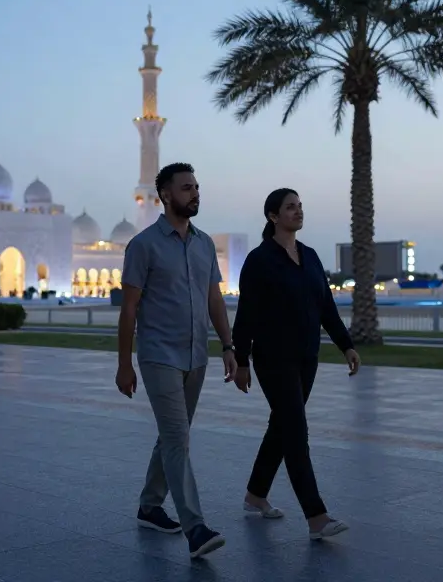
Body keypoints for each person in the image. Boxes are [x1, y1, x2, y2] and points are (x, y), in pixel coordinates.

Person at [117, 162, 236, 559]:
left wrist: (229, 347)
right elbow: (129, 309)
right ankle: (196, 528)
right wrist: (124, 364)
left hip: (196, 355)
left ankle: (150, 505)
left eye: (197, 187)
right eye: (186, 188)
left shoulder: (203, 244)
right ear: (165, 195)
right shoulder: (144, 245)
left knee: (174, 435)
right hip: (158, 356)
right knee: (176, 439)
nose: (195, 193)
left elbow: (213, 299)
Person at [231, 188, 361, 541]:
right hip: (273, 359)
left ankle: (255, 495)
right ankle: (317, 517)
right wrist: (241, 361)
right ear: (273, 216)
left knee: (282, 428)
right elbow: (246, 316)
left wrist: (346, 345)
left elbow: (326, 307)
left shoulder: (311, 256)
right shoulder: (260, 260)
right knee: (295, 432)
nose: (298, 211)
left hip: (307, 358)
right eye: (290, 207)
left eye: (300, 206)